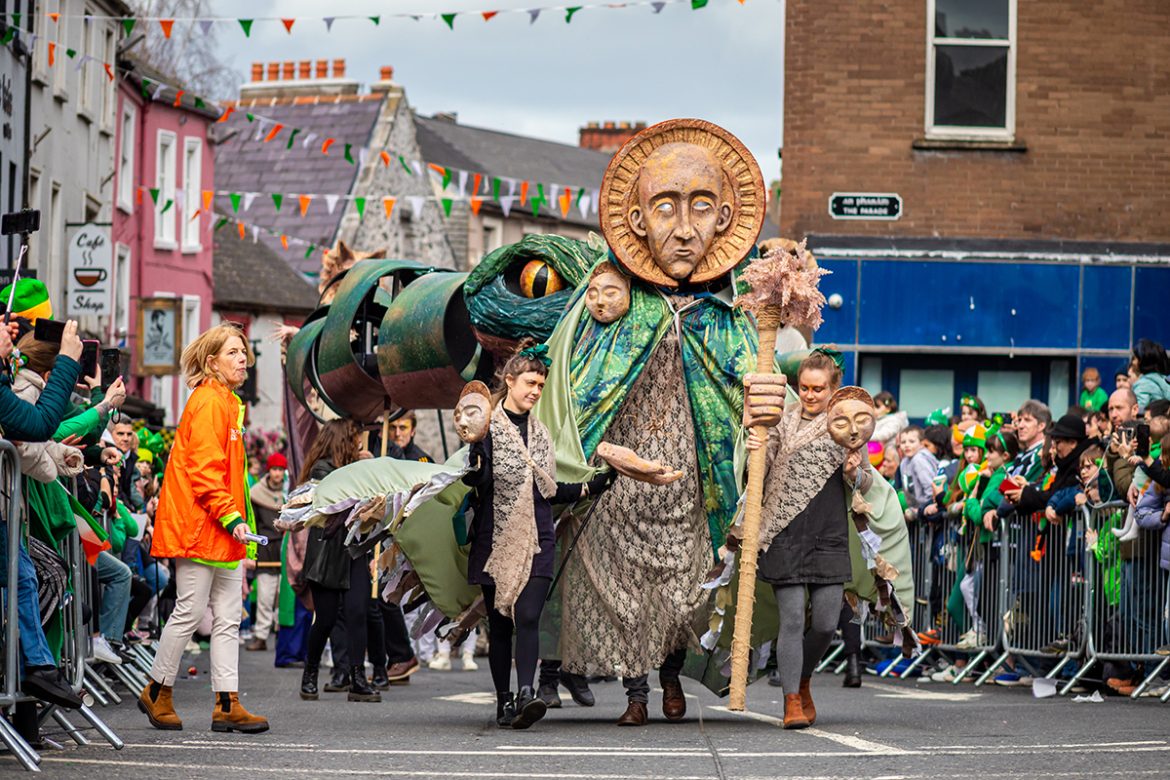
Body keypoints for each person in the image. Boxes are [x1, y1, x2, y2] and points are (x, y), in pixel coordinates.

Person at [463, 345, 614, 730]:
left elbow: (546, 488)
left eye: (541, 385)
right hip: (496, 538)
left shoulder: (542, 435)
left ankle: (527, 693)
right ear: (509, 381)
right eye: (530, 382)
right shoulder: (486, 430)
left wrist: (590, 487)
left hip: (538, 537)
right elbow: (482, 482)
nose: (535, 390)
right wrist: (476, 468)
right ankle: (504, 701)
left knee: (528, 615)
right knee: (500, 625)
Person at [139, 322, 269, 734]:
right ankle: (157, 690)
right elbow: (206, 472)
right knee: (191, 611)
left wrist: (235, 521)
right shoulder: (211, 402)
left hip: (222, 527)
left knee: (228, 615)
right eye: (232, 352)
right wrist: (233, 518)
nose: (242, 358)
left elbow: (222, 474)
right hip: (203, 526)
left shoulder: (226, 402)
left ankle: (227, 702)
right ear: (212, 362)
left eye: (243, 351)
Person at [744, 351, 861, 729]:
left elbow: (866, 483)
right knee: (792, 619)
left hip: (828, 531)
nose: (810, 395)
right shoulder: (779, 421)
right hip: (783, 531)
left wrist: (855, 470)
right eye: (804, 388)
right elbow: (759, 470)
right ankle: (791, 700)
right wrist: (753, 452)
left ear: (833, 388)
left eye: (818, 388)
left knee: (827, 623)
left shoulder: (846, 424)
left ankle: (804, 677)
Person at [0, 319, 86, 711]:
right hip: (13, 505)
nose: (9, 332)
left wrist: (58, 455)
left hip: (9, 507)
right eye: (2, 327)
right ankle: (34, 671)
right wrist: (70, 360)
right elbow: (34, 427)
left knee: (27, 578)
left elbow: (32, 438)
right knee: (35, 578)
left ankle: (38, 668)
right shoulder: (20, 383)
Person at [298, 419, 381, 704]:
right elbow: (339, 499)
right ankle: (310, 673)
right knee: (327, 618)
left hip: (353, 550)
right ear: (342, 442)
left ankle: (358, 677)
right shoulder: (322, 469)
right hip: (327, 554)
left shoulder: (350, 469)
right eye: (354, 439)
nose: (359, 443)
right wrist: (363, 469)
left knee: (358, 612)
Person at [246, 453, 287, 652]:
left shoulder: (290, 493)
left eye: (280, 469)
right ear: (268, 470)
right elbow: (252, 525)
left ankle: (282, 634)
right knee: (264, 595)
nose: (277, 473)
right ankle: (261, 636)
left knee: (283, 594)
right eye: (274, 469)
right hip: (265, 547)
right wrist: (251, 552)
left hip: (284, 547)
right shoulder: (256, 493)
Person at [1130, 339, 1170, 413]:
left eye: (1134, 358)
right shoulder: (1164, 380)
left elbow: (1140, 413)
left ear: (1143, 361)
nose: (1132, 362)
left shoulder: (1143, 384)